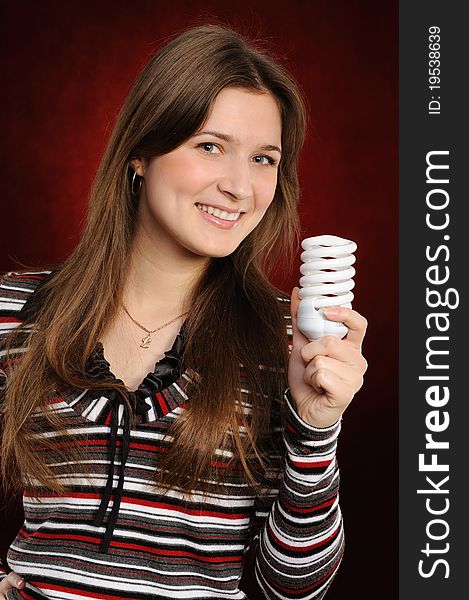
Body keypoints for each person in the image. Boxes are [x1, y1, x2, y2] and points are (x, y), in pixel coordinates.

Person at [0, 23, 367, 600]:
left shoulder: (283, 343)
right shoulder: (15, 313)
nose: (240, 187)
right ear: (141, 154)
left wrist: (315, 428)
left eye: (264, 159)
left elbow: (291, 589)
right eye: (210, 146)